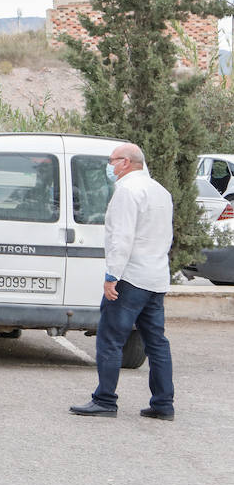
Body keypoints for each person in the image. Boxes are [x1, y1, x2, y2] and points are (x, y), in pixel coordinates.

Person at [69, 143, 175, 421]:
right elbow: (166, 236)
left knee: (110, 339)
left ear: (125, 162)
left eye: (112, 161)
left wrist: (111, 276)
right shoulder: (160, 191)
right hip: (155, 276)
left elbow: (122, 238)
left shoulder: (127, 191)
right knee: (156, 342)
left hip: (130, 277)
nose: (109, 166)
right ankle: (164, 403)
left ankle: (105, 399)